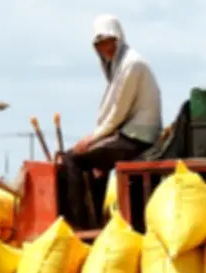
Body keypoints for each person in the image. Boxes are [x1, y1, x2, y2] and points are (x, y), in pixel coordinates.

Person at [62, 14, 162, 224]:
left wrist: (92, 139)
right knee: (96, 164)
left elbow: (118, 112)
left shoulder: (131, 65)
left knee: (72, 158)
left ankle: (77, 225)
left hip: (138, 137)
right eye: (100, 44)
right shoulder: (121, 64)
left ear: (118, 38)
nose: (105, 47)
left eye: (109, 41)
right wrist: (97, 139)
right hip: (129, 132)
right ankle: (96, 220)